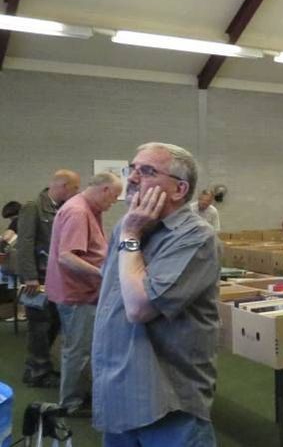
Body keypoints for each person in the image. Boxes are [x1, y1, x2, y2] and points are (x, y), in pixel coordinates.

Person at [92, 143, 220, 444]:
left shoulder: (196, 236)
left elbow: (139, 307)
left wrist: (131, 236)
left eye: (147, 171)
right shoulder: (126, 226)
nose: (133, 178)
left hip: (167, 398)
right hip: (119, 388)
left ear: (179, 189)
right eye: (132, 169)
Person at [45, 172, 122, 416]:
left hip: (81, 292)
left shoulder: (88, 209)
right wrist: (104, 274)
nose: (113, 204)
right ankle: (71, 404)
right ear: (104, 190)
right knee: (78, 351)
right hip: (77, 293)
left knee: (82, 348)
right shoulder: (79, 211)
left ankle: (78, 395)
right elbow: (67, 257)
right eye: (114, 197)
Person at [17, 169, 81, 388]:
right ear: (62, 186)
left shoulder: (62, 209)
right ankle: (37, 371)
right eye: (74, 188)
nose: (77, 192)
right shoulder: (32, 207)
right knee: (39, 325)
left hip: (55, 277)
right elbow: (24, 244)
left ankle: (39, 367)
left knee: (51, 322)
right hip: (38, 278)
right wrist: (30, 277)